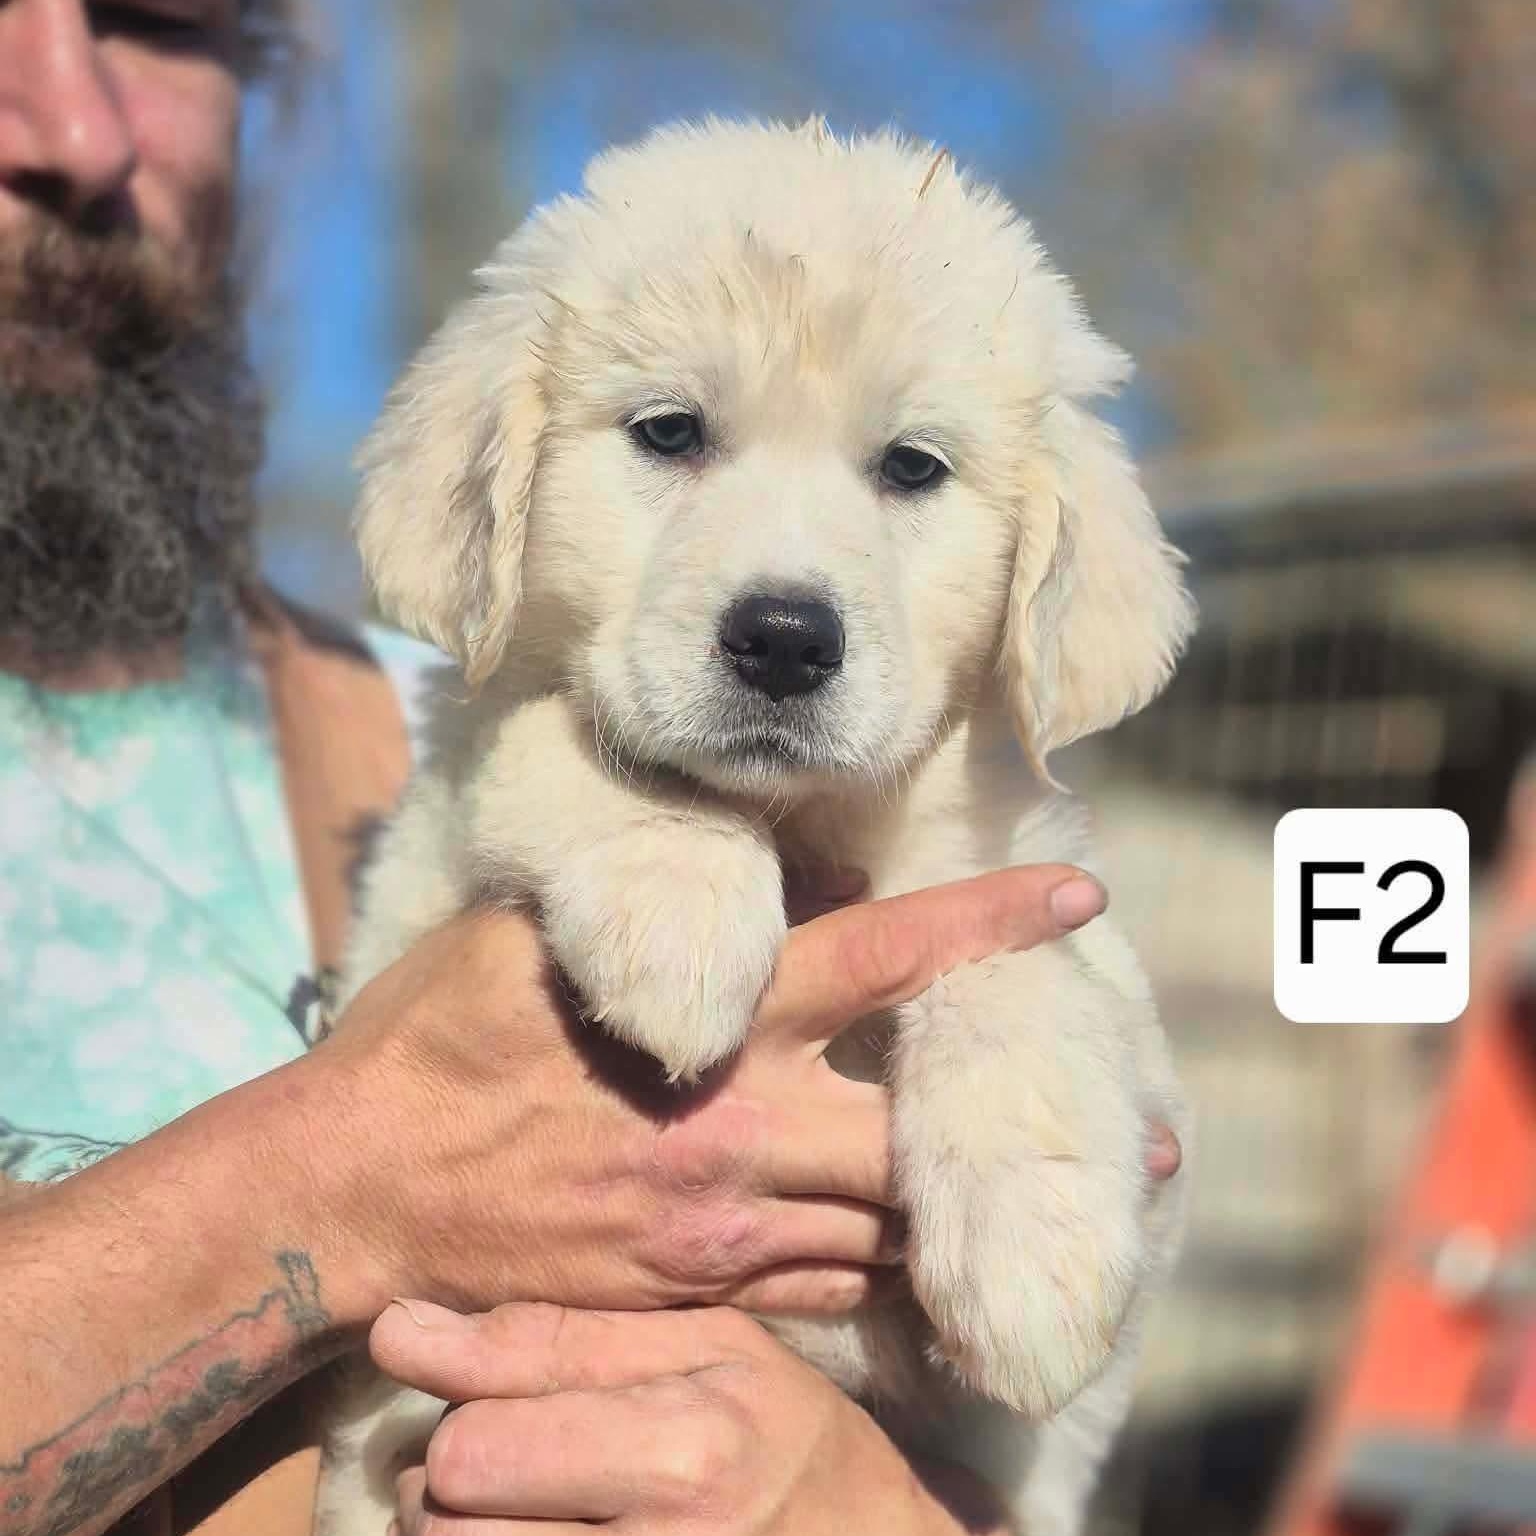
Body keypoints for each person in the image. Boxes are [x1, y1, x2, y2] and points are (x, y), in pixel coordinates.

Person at [0, 4, 1180, 1535]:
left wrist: (876, 1508)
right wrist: (338, 1175)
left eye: (910, 470)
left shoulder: (421, 701)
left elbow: (1044, 1372)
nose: (72, 131)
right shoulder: (513, 760)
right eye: (672, 433)